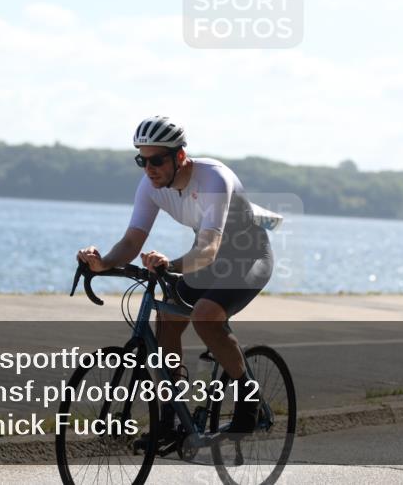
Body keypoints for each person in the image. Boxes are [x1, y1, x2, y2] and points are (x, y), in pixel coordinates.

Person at [76, 116, 273, 437]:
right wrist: (103, 263)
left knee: (206, 317)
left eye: (156, 160)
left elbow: (208, 249)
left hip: (248, 257)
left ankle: (247, 399)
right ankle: (173, 411)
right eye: (142, 160)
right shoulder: (151, 187)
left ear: (179, 157)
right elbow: (131, 242)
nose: (149, 168)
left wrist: (171, 264)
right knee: (167, 315)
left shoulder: (214, 180)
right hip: (206, 263)